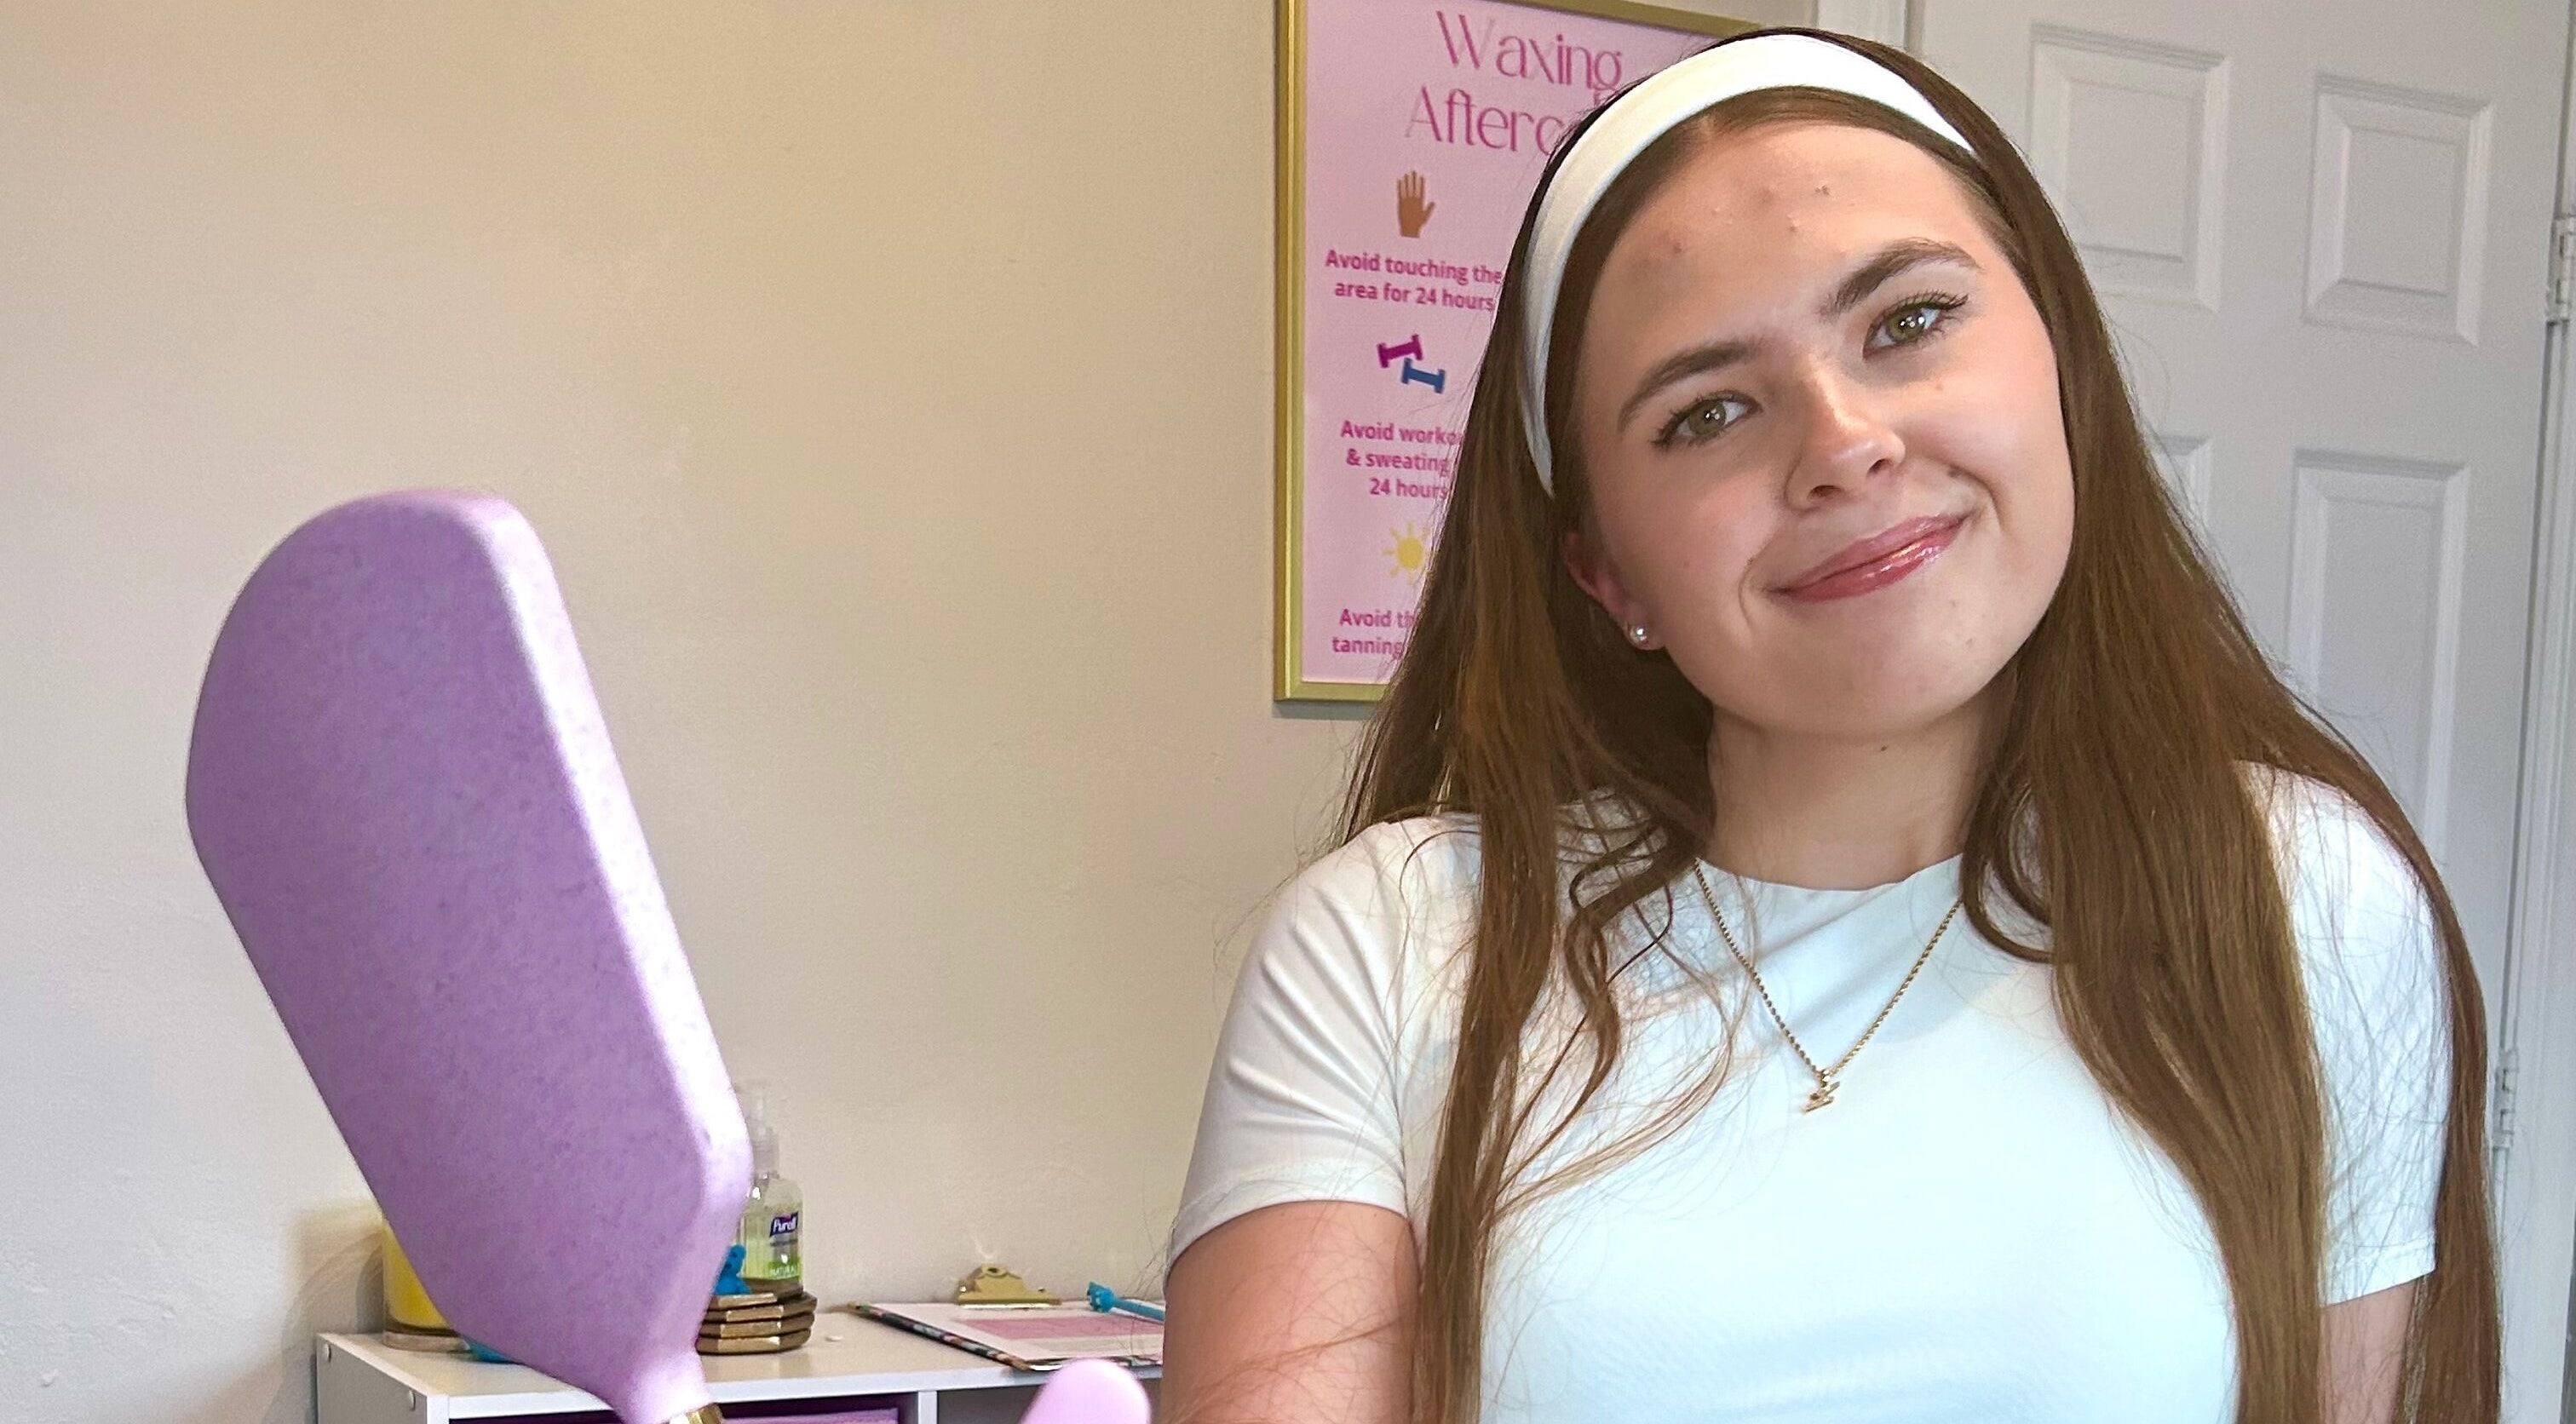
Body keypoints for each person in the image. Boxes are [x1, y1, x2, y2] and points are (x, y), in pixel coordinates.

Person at [1161, 26, 2496, 1424]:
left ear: (2063, 371)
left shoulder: (2301, 895)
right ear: (1609, 569)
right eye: (1708, 411)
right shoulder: (1390, 943)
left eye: (1909, 322)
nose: (1845, 441)